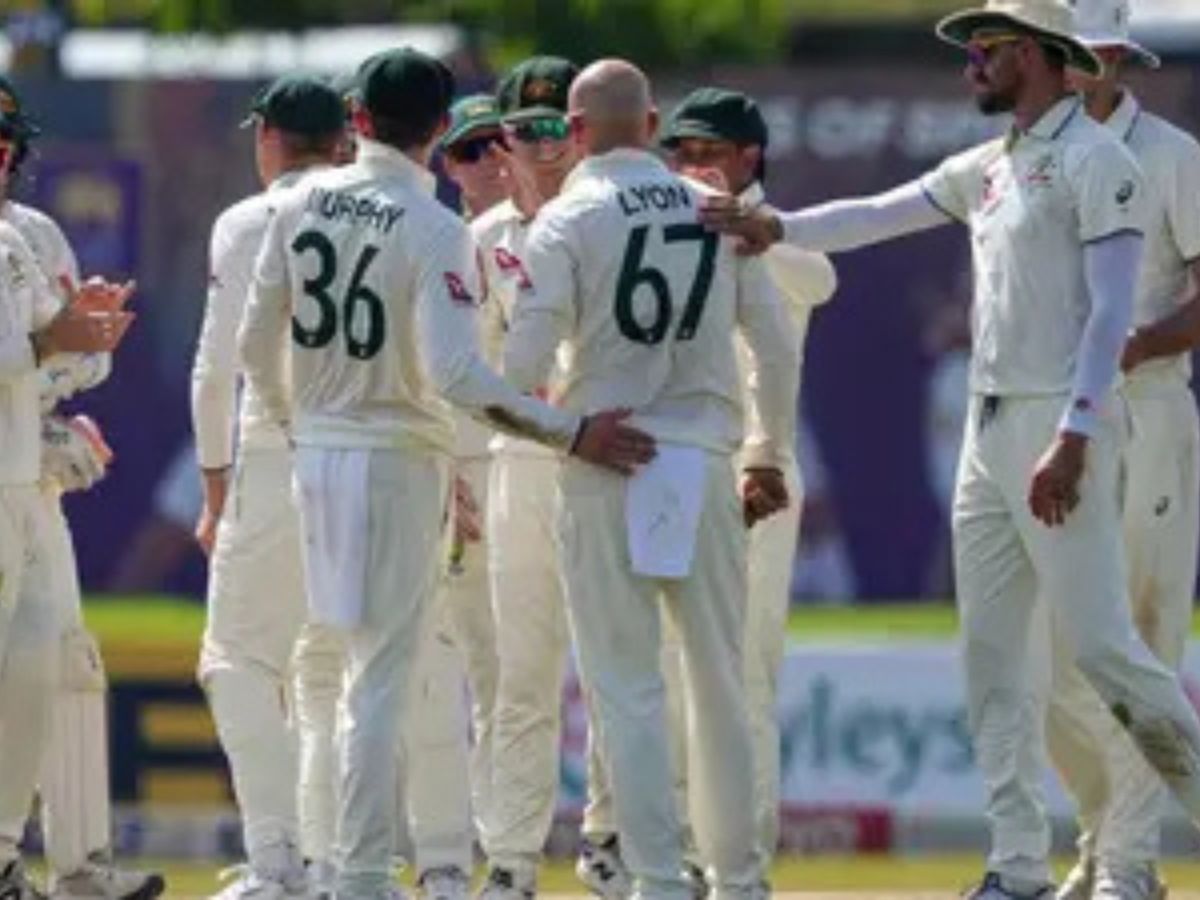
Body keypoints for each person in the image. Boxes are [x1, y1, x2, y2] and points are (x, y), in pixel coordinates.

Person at [700, 0, 1200, 896]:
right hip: (986, 420)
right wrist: (776, 227)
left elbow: (1112, 315)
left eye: (989, 47)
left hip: (1063, 420)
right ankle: (1015, 863)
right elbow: (879, 213)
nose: (971, 61)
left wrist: (1076, 433)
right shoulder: (992, 164)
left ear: (1043, 56)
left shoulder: (1105, 163)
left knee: (1107, 650)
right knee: (994, 659)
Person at [237, 47, 654, 900]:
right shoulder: (434, 228)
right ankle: (355, 872)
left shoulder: (298, 206)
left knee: (337, 667)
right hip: (398, 457)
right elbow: (461, 378)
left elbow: (254, 341)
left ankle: (332, 864)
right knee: (382, 671)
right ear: (437, 130)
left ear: (358, 121)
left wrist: (294, 422)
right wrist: (568, 430)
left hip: (315, 453)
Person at [504, 58, 799, 900]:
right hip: (704, 459)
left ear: (575, 128)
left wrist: (561, 420)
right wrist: (765, 452)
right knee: (718, 681)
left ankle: (659, 879)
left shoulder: (566, 221)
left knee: (625, 686)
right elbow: (772, 349)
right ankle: (741, 881)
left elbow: (521, 365)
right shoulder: (715, 213)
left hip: (607, 456)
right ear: (654, 120)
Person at [659, 86, 837, 888]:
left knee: (742, 675)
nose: (692, 167)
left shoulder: (777, 238)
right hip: (675, 460)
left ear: (748, 157)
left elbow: (820, 278)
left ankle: (742, 862)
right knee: (664, 672)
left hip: (756, 470)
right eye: (681, 153)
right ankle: (676, 857)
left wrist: (751, 231)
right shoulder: (666, 226)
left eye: (707, 153)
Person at [1046, 2, 1200, 897]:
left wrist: (1136, 346)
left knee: (1140, 634)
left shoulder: (1174, 156)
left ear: (1114, 58)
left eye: (1087, 54)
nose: (1073, 68)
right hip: (1051, 416)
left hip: (1146, 412)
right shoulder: (1032, 158)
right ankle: (1101, 839)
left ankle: (1127, 864)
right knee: (1056, 652)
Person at [467, 56, 622, 900]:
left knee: (614, 666)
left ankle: (608, 842)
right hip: (522, 462)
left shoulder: (617, 221)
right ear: (502, 143)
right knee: (520, 675)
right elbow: (475, 376)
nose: (544, 148)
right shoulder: (483, 243)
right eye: (525, 133)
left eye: (556, 128)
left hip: (611, 461)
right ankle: (513, 861)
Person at [191, 74, 346, 900]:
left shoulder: (249, 220)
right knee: (327, 669)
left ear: (269, 140)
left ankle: (279, 862)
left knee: (235, 660)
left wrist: (217, 493)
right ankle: (334, 863)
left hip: (276, 447)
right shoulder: (379, 209)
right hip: (371, 452)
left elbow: (215, 371)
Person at [0, 201, 133, 900]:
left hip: (22, 473)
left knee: (53, 661)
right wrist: (55, 346)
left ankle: (68, 865)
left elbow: (77, 352)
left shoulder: (25, 235)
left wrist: (50, 419)